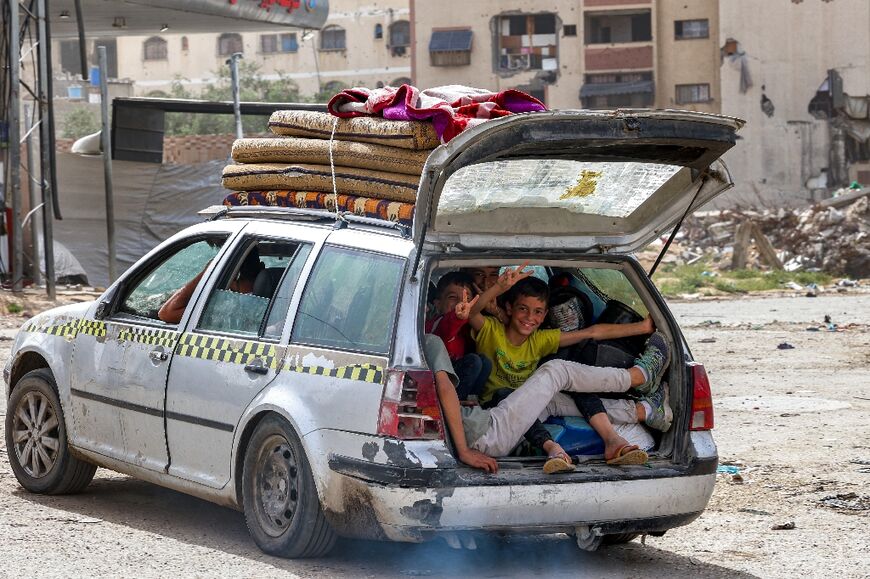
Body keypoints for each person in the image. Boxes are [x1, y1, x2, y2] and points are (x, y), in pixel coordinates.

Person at [457, 262, 670, 469]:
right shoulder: (491, 330)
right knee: (514, 388)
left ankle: (645, 411)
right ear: (509, 308)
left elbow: (592, 332)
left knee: (575, 388)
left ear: (545, 315)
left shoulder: (540, 340)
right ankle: (637, 377)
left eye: (538, 312)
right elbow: (472, 313)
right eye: (523, 309)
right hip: (498, 413)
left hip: (528, 416)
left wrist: (642, 327)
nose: (530, 318)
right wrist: (498, 287)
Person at [425, 330, 669, 473]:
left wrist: (459, 410)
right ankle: (637, 377)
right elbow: (445, 387)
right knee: (556, 370)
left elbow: (439, 398)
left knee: (552, 401)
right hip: (485, 433)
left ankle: (644, 411)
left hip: (484, 429)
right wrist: (464, 451)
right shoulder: (429, 340)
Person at [425, 271, 491, 400]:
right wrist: (458, 317)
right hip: (438, 376)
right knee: (474, 361)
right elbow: (448, 326)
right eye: (452, 297)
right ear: (438, 304)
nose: (461, 304)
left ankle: (471, 400)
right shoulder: (439, 323)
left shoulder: (467, 329)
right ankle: (456, 402)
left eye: (467, 300)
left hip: (455, 372)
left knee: (484, 361)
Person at [157, 250, 263, 324]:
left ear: (234, 276)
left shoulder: (232, 311)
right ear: (262, 267)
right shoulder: (273, 303)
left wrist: (207, 272)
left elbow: (166, 313)